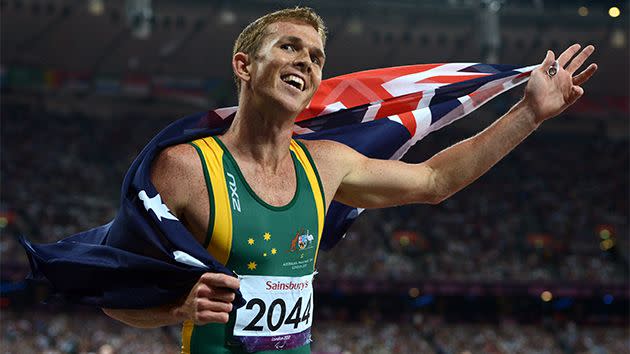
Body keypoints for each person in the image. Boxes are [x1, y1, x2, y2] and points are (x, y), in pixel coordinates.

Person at [102, 6, 597, 354]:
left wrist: (529, 113)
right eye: (289, 47)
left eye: (316, 56)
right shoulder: (186, 169)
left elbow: (434, 180)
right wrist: (175, 308)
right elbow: (116, 298)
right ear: (244, 65)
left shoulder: (326, 164)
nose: (306, 61)